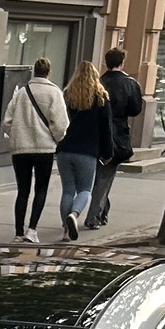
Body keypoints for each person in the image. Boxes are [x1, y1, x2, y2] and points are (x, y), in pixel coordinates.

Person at [0, 56, 68, 241]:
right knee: (41, 189)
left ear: (34, 71)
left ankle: (18, 232)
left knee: (22, 191)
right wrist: (56, 138)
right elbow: (61, 124)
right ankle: (32, 230)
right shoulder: (54, 93)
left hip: (21, 148)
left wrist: (16, 134)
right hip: (44, 149)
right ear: (49, 73)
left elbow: (7, 121)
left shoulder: (22, 93)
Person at [53, 62, 112, 241]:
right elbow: (106, 128)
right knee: (85, 189)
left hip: (65, 149)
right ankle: (75, 214)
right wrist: (107, 152)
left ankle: (66, 231)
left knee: (68, 191)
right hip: (87, 151)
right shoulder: (101, 97)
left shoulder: (68, 95)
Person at [89, 46, 142, 230]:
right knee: (105, 175)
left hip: (94, 133)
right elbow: (135, 109)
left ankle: (101, 211)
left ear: (106, 62)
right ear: (122, 62)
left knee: (100, 176)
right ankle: (94, 216)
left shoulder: (97, 82)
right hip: (117, 134)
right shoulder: (129, 83)